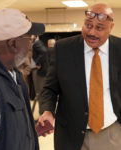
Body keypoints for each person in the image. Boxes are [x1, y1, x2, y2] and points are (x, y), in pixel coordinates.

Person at [38, 3, 121, 150]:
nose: (92, 32)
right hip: (70, 135)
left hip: (111, 133)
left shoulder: (119, 48)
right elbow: (49, 88)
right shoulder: (63, 48)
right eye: (88, 25)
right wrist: (48, 111)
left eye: (99, 28)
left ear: (111, 27)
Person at [0, 8, 45, 150]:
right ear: (13, 44)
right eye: (29, 38)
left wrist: (27, 132)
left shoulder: (12, 75)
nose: (30, 44)